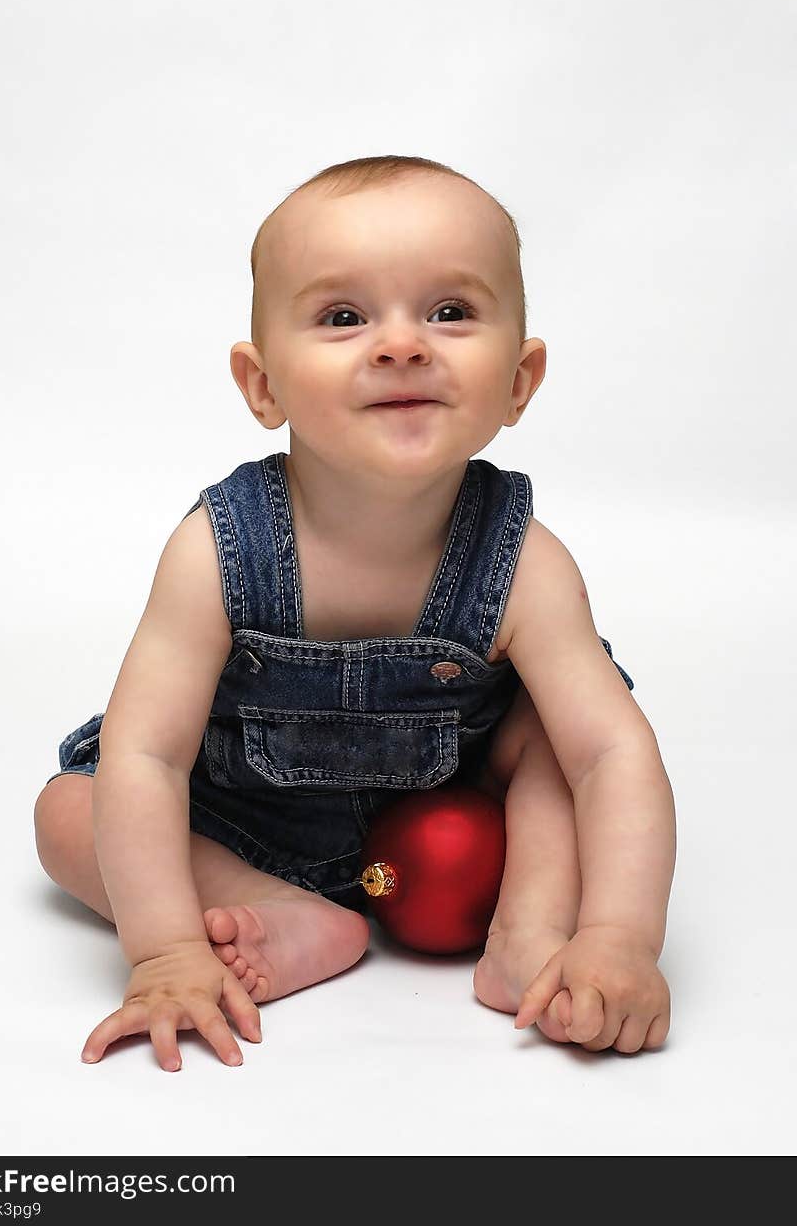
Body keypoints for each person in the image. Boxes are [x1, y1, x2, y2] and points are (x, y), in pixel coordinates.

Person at [34, 154, 676, 1072]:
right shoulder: (217, 549)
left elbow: (616, 755)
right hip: (243, 816)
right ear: (263, 387)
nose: (403, 344)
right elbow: (147, 753)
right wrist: (164, 950)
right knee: (69, 808)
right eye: (344, 317)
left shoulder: (526, 561)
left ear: (520, 380)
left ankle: (530, 932)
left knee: (559, 741)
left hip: (452, 825)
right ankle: (281, 910)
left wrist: (623, 936)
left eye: (450, 312)